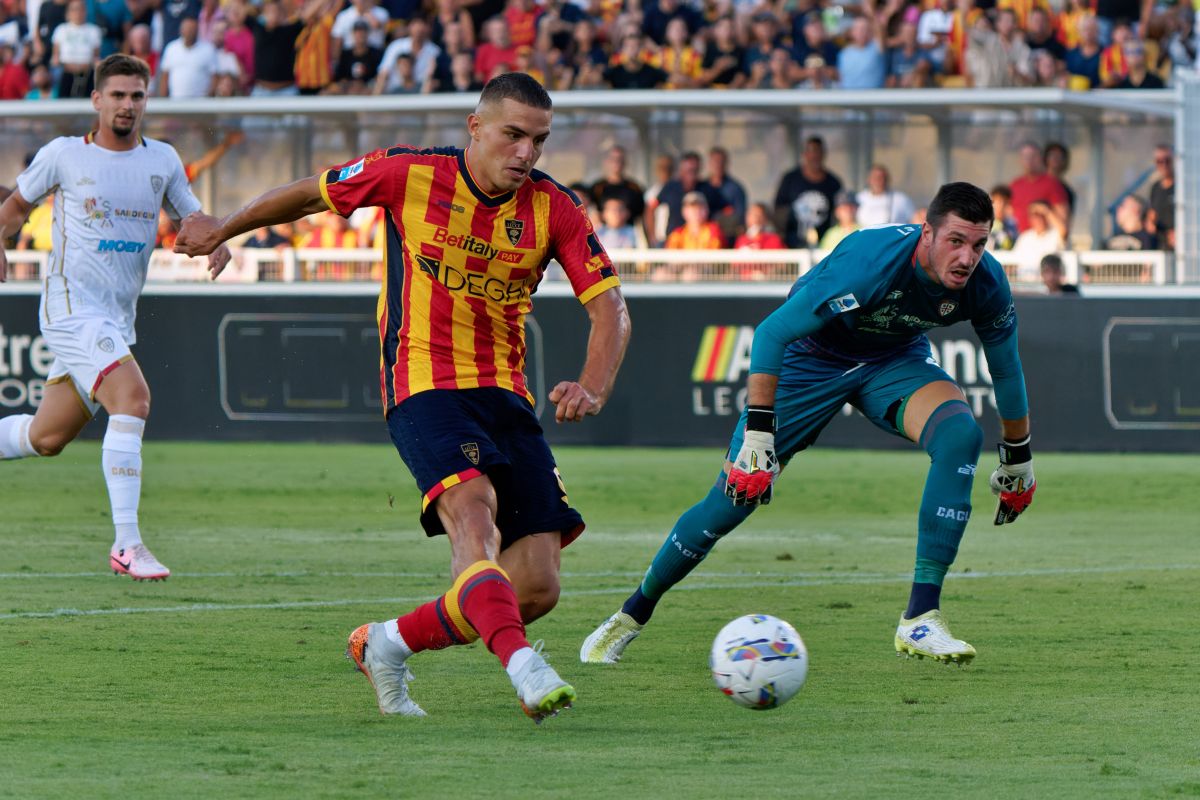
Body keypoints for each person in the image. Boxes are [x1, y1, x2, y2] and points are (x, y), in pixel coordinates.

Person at [174, 73, 631, 723]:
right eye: (513, 135)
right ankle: (524, 667)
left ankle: (386, 643)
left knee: (535, 586)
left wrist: (592, 383)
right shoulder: (408, 173)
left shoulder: (554, 207)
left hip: (506, 395)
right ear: (475, 127)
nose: (526, 153)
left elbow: (610, 308)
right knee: (474, 519)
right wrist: (224, 228)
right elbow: (308, 194)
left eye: (539, 140)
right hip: (423, 385)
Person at [581, 182, 1036, 667]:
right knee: (729, 504)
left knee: (961, 434)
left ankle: (921, 618)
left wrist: (1018, 458)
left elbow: (1006, 369)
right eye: (956, 241)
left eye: (978, 244)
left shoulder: (987, 281)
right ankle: (631, 614)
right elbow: (772, 333)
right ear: (927, 233)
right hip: (810, 359)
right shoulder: (869, 262)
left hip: (893, 359)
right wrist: (759, 435)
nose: (967, 258)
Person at [0, 54, 232, 581]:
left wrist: (217, 239)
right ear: (97, 100)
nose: (127, 105)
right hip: (70, 307)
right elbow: (14, 208)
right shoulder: (64, 154)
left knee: (46, 437)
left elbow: (192, 216)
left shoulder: (163, 160)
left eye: (137, 96)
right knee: (133, 398)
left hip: (114, 318)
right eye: (118, 95)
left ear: (146, 101)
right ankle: (127, 544)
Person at [774, 134, 843, 248]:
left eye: (818, 152)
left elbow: (839, 214)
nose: (815, 156)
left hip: (824, 246)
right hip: (792, 244)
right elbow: (779, 210)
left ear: (823, 154)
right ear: (804, 154)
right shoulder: (790, 179)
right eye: (811, 151)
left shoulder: (833, 183)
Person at [1147, 144, 1174, 250]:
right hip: (1160, 245)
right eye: (1159, 161)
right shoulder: (1155, 187)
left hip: (1180, 245)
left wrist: (1180, 234)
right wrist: (1150, 223)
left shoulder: (1182, 188)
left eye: (1167, 161)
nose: (1164, 165)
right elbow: (1152, 214)